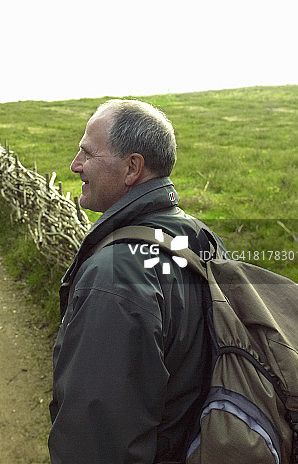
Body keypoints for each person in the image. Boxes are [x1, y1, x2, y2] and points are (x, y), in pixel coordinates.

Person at [48, 99, 225, 464]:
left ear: (132, 167)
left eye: (86, 153)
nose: (75, 165)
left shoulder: (113, 278)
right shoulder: (199, 235)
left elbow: (97, 443)